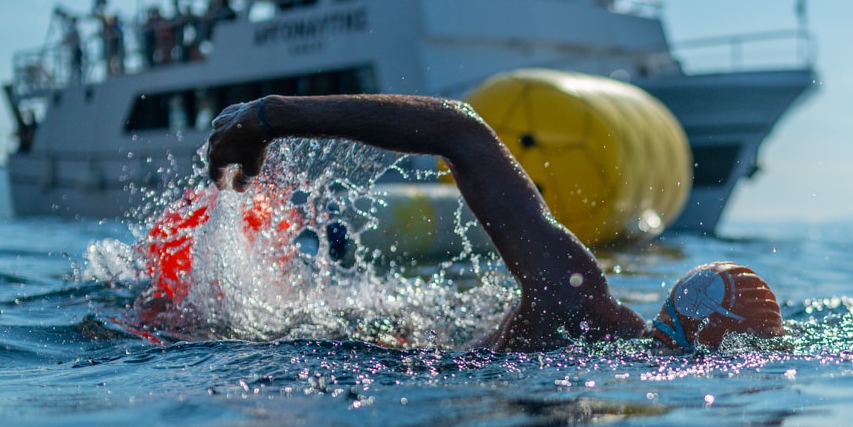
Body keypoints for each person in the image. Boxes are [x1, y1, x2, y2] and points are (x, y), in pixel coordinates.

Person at [207, 94, 784, 352]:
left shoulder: (578, 305)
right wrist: (273, 117)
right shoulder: (575, 306)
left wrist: (273, 117)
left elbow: (462, 130)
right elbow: (460, 129)